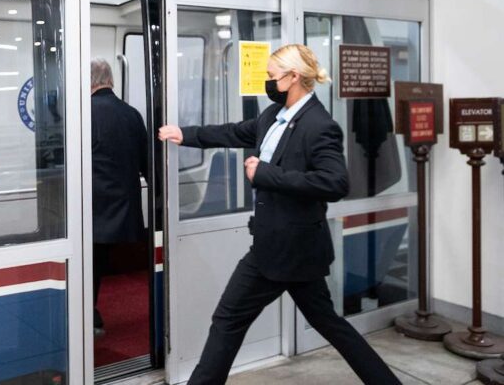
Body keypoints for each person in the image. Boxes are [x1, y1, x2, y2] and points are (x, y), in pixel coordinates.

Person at [158, 44, 402, 385]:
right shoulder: (273, 115)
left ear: (294, 77)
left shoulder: (319, 125)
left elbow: (335, 181)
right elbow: (233, 132)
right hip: (285, 246)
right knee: (329, 324)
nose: (268, 81)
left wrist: (265, 173)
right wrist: (186, 135)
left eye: (272, 76)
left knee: (229, 318)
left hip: (288, 248)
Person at [90, 59, 150, 336]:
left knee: (88, 263)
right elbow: (146, 163)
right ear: (110, 80)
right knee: (98, 260)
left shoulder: (84, 113)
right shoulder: (131, 114)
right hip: (123, 207)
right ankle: (90, 312)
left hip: (91, 207)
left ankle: (87, 314)